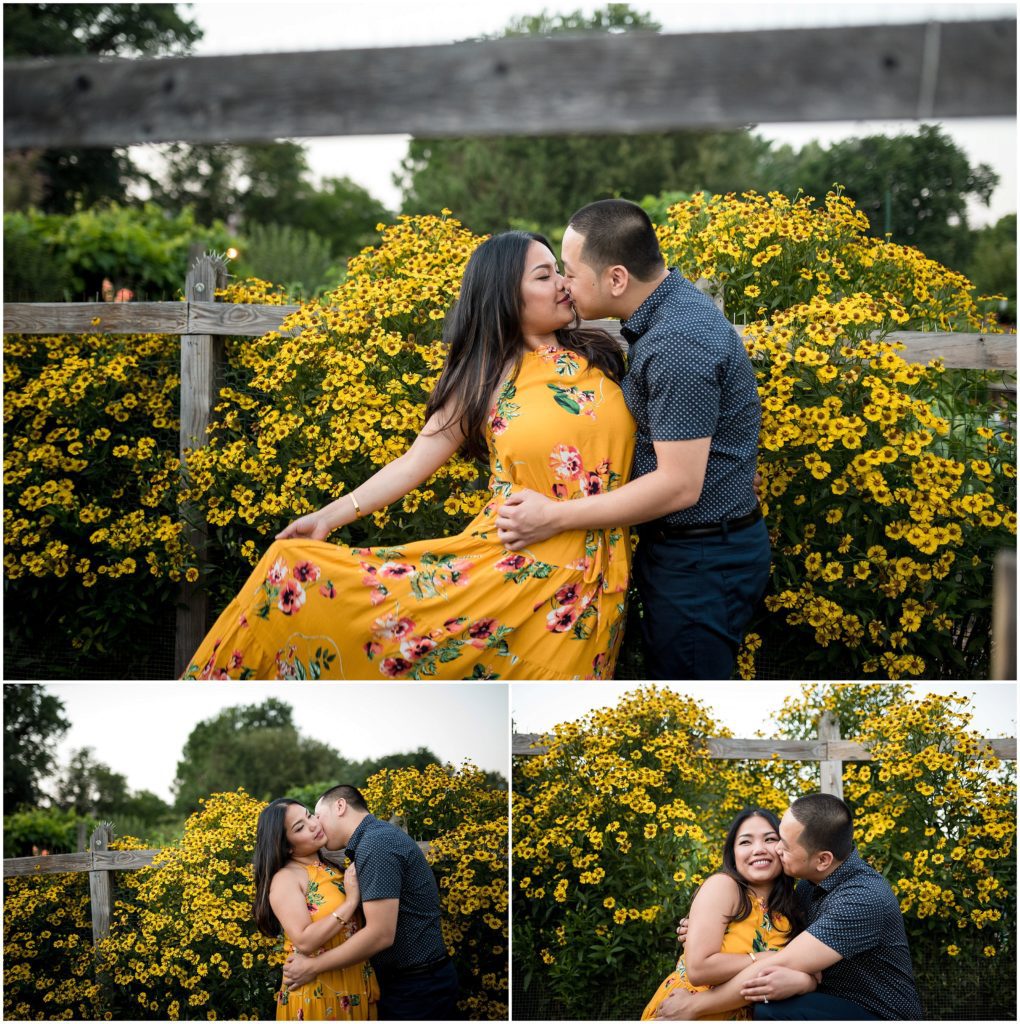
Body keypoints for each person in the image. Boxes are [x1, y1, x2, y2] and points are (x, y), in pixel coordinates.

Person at [182, 230, 635, 680]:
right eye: (544, 275)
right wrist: (330, 516)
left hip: (596, 578)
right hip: (510, 567)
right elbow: (414, 461)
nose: (562, 282)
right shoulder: (485, 378)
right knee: (291, 572)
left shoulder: (601, 356)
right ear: (504, 296)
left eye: (559, 270)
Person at [496, 198, 770, 680]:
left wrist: (553, 517)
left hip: (701, 561)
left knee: (688, 688)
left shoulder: (677, 343)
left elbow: (678, 486)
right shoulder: (667, 318)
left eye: (570, 272)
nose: (564, 284)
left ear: (617, 278)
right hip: (691, 551)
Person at [657, 794, 923, 1020]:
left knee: (772, 1009)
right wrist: (706, 925)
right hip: (827, 1000)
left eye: (780, 843)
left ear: (822, 860)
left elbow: (778, 964)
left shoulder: (862, 899)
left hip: (876, 1013)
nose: (774, 850)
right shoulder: (808, 886)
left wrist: (693, 1006)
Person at [281, 784, 461, 1021]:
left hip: (418, 988)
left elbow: (380, 934)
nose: (317, 824)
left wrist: (312, 967)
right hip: (413, 983)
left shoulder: (376, 844)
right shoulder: (374, 839)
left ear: (340, 806)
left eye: (317, 815)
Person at [642, 808, 810, 1021]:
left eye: (770, 839)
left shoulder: (792, 909)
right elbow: (699, 969)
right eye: (745, 842)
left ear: (783, 848)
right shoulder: (724, 887)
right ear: (733, 853)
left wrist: (805, 981)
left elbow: (811, 969)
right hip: (686, 1010)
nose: (758, 849)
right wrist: (769, 959)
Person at [253, 797, 379, 1020]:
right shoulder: (286, 879)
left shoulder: (332, 868)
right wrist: (350, 902)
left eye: (309, 815)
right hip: (317, 994)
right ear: (287, 846)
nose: (313, 824)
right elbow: (304, 940)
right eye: (300, 827)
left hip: (356, 982)